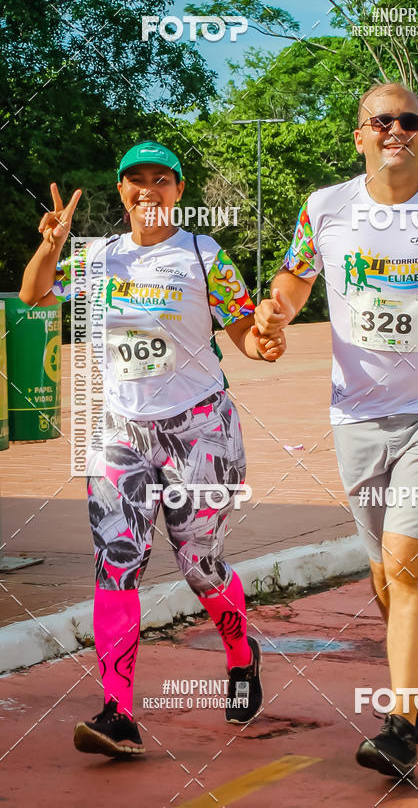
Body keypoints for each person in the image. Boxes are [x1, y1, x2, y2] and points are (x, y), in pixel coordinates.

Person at [255, 83, 418, 782]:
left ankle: (397, 727)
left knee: (407, 562)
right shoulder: (325, 207)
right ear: (358, 135)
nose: (396, 129)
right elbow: (296, 279)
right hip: (355, 413)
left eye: (409, 121)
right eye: (381, 121)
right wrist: (275, 313)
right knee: (384, 576)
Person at [20, 140, 285, 758]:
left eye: (160, 180)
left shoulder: (203, 254)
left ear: (178, 190)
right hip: (122, 434)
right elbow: (34, 295)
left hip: (199, 430)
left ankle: (242, 657)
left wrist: (263, 344)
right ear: (120, 191)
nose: (148, 190)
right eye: (134, 180)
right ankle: (118, 712)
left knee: (200, 565)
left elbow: (244, 331)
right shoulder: (96, 259)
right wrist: (52, 244)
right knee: (117, 562)